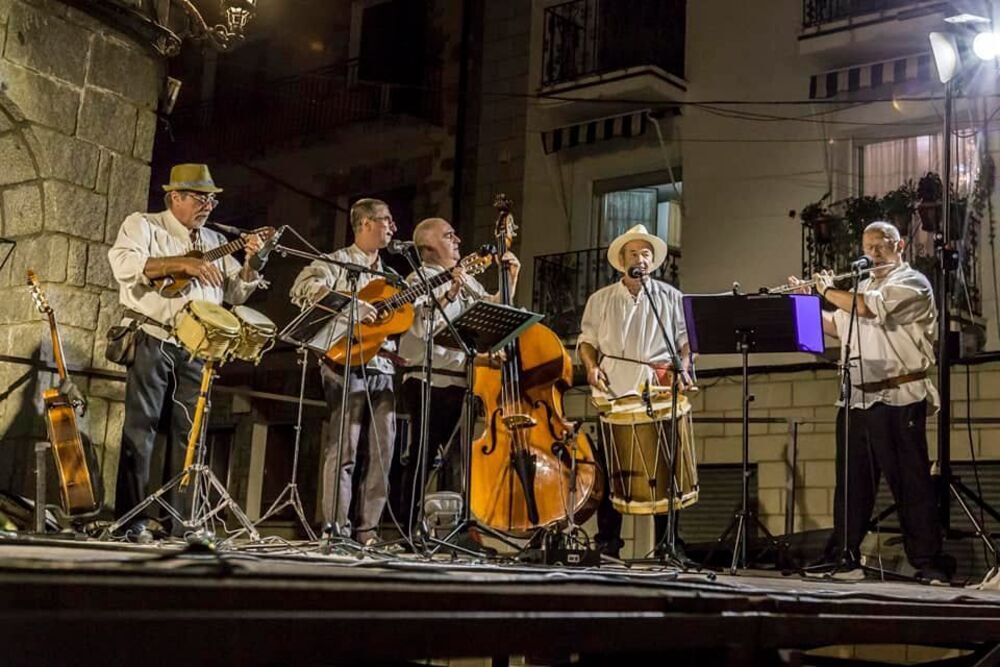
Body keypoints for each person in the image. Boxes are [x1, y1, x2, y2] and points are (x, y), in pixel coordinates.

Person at [108, 163, 265, 542]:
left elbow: (236, 294)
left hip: (198, 349)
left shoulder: (214, 239)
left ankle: (183, 523)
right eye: (200, 197)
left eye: (212, 198)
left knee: (191, 436)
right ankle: (132, 522)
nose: (208, 204)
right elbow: (123, 264)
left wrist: (252, 262)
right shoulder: (144, 225)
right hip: (152, 336)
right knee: (140, 431)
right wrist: (182, 263)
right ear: (175, 196)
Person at [790, 221, 953, 583]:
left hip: (899, 395)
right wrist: (800, 303)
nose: (873, 253)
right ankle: (845, 557)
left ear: (901, 245)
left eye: (882, 245)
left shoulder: (911, 283)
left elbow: (868, 309)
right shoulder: (862, 286)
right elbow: (836, 324)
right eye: (868, 246)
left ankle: (928, 562)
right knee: (851, 484)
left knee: (910, 483)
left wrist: (828, 289)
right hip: (857, 397)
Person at [396, 217, 519, 539]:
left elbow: (491, 309)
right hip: (428, 378)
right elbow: (423, 328)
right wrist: (451, 292)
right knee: (424, 455)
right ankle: (407, 530)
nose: (458, 241)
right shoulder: (419, 278)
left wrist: (510, 278)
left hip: (462, 379)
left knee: (454, 460)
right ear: (429, 247)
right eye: (449, 236)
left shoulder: (465, 277)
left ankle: (455, 531)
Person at [577, 224, 693, 559]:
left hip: (655, 390)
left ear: (652, 261)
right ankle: (608, 543)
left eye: (645, 254)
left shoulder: (671, 298)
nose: (639, 258)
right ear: (621, 260)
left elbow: (687, 342)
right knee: (612, 470)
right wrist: (591, 367)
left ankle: (669, 545)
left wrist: (683, 366)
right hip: (614, 390)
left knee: (665, 470)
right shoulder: (600, 300)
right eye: (633, 253)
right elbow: (587, 342)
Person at [290, 198, 398, 545]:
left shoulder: (391, 276)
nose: (392, 227)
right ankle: (336, 529)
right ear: (365, 224)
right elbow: (302, 288)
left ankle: (368, 530)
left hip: (382, 365)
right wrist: (352, 304)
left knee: (383, 452)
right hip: (343, 361)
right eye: (386, 220)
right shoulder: (336, 261)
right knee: (344, 449)